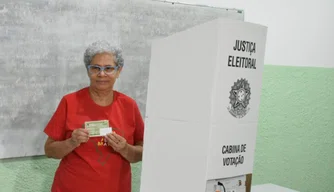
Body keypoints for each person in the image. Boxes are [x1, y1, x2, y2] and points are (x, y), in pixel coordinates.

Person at [43, 40, 144, 192]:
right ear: (88, 70)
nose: (101, 74)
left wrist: (125, 149)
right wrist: (71, 142)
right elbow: (49, 151)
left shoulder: (129, 105)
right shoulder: (69, 102)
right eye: (95, 68)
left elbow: (143, 153)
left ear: (119, 71)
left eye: (108, 68)